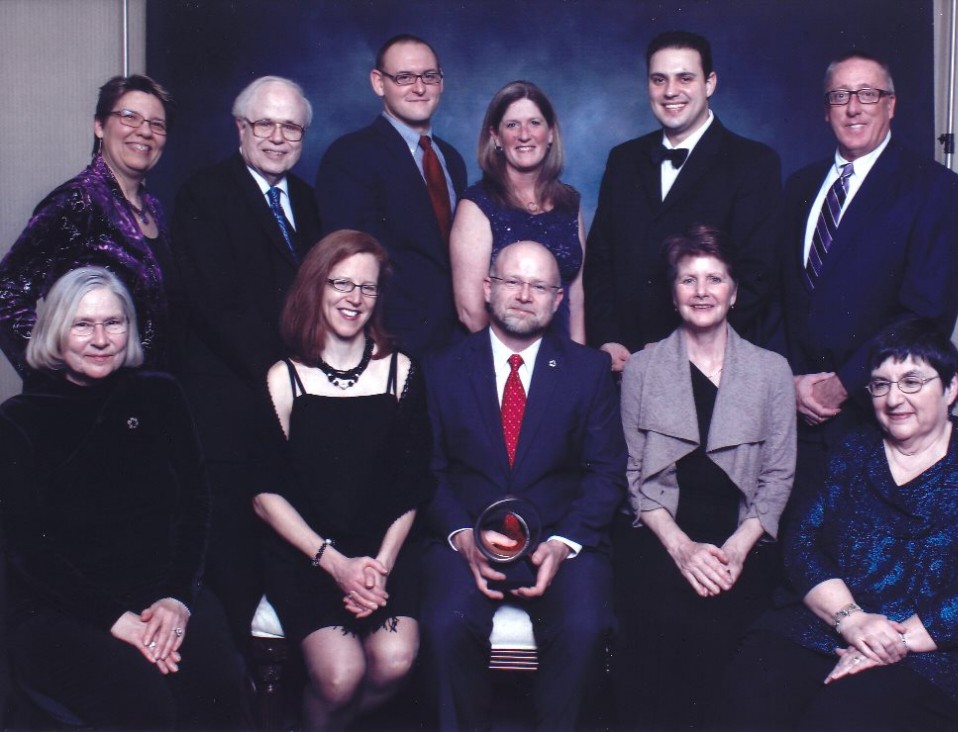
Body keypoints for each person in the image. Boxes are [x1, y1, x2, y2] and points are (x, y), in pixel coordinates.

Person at [717, 320, 958, 732]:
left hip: (943, 650)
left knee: (844, 718)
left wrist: (892, 642)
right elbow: (802, 543)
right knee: (750, 692)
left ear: (951, 388)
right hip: (832, 625)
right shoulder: (853, 449)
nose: (894, 398)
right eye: (880, 384)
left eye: (912, 381)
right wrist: (853, 621)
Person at [0, 267, 249, 729]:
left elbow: (197, 505)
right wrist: (116, 619)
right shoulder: (19, 420)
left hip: (161, 592)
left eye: (113, 323)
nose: (100, 339)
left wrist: (178, 598)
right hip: (62, 608)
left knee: (220, 686)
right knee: (147, 705)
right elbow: (27, 550)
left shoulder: (161, 395)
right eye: (82, 325)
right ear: (56, 329)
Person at [420, 240, 626, 730]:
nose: (524, 295)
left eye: (539, 286)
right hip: (466, 538)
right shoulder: (440, 368)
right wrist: (460, 536)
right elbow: (427, 471)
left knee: (585, 626)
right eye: (513, 281)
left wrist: (564, 543)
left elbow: (606, 472)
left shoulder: (588, 370)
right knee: (444, 624)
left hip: (560, 537)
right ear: (489, 289)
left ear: (558, 300)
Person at [613, 226, 795, 730]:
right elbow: (633, 475)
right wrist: (681, 549)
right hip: (660, 535)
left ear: (734, 293)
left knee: (725, 638)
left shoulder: (772, 371)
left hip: (743, 538)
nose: (701, 291)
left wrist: (735, 551)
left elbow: (779, 477)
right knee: (659, 630)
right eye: (688, 280)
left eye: (714, 279)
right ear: (673, 295)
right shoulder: (642, 369)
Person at [777, 51, 958, 510]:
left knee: (871, 563)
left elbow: (927, 312)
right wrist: (790, 380)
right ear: (826, 110)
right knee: (797, 560)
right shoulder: (799, 186)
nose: (853, 107)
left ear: (891, 105)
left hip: (877, 416)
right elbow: (775, 295)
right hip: (794, 420)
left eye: (868, 94)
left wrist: (844, 383)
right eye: (840, 96)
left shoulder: (934, 188)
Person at [255, 230, 432, 730]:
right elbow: (265, 496)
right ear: (316, 285)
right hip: (309, 555)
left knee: (395, 661)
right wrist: (336, 565)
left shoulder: (402, 371)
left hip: (383, 552)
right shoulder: (281, 378)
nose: (354, 299)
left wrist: (379, 564)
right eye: (342, 283)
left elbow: (414, 482)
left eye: (367, 288)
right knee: (339, 675)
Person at [172, 75, 321, 654]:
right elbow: (217, 305)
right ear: (241, 129)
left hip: (292, 410)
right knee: (233, 572)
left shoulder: (306, 200)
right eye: (266, 124)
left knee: (285, 565)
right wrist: (288, 378)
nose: (278, 137)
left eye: (291, 127)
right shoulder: (203, 195)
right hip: (230, 409)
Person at [584, 30, 781, 370]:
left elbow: (757, 275)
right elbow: (600, 261)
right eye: (659, 79)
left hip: (709, 365)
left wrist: (684, 348)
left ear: (710, 83)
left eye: (684, 78)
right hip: (624, 361)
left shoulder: (754, 163)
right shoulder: (623, 159)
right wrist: (606, 337)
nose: (670, 91)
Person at [0, 74, 177, 376]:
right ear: (99, 126)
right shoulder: (78, 201)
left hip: (144, 396)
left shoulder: (154, 208)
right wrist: (56, 371)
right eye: (129, 117)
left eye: (156, 124)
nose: (144, 131)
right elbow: (5, 291)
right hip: (88, 400)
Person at [316, 33, 468, 358]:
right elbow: (352, 261)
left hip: (457, 339)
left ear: (441, 82)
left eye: (429, 76)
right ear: (378, 83)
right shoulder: (350, 155)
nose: (419, 87)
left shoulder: (451, 158)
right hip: (391, 339)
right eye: (404, 77)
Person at [450, 80, 586, 343]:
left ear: (550, 134)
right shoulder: (477, 205)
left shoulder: (570, 202)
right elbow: (470, 312)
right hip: (504, 366)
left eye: (535, 123)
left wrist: (579, 365)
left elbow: (577, 298)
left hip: (562, 360)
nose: (525, 134)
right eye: (512, 125)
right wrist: (520, 365)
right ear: (496, 137)